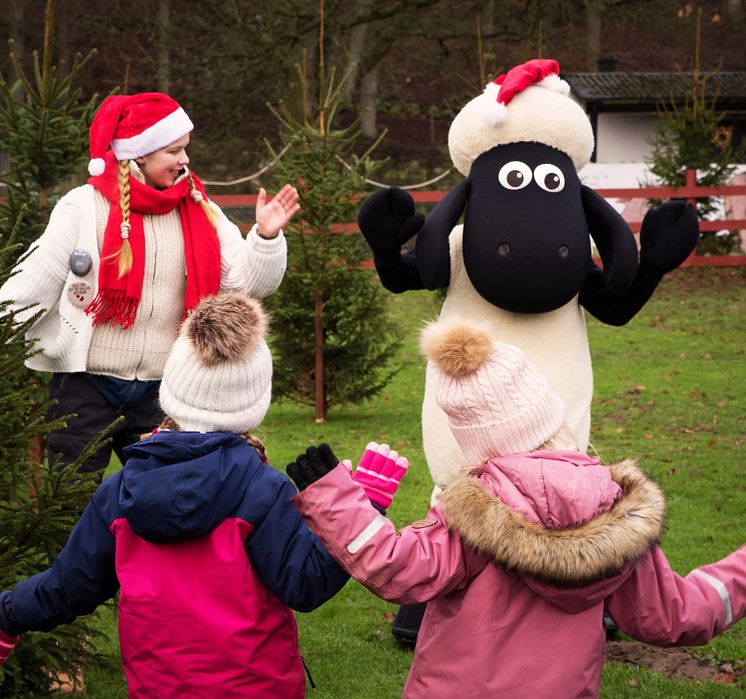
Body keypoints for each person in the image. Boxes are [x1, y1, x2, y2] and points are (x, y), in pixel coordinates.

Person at [286, 319, 745, 699]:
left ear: (476, 443)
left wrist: (334, 496)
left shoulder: (470, 515)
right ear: (547, 414)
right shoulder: (615, 513)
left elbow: (397, 567)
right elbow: (679, 614)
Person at [0, 292, 409, 698]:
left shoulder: (120, 492)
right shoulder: (262, 491)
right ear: (254, 403)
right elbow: (306, 584)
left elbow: (68, 587)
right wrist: (362, 507)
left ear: (171, 393)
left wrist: (7, 614)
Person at [0, 91, 298, 474]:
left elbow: (248, 284)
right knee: (71, 503)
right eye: (174, 151)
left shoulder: (200, 207)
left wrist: (266, 237)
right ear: (139, 153)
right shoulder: (83, 206)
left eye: (185, 149)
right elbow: (30, 286)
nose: (185, 160)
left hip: (162, 392)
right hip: (85, 385)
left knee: (165, 499)